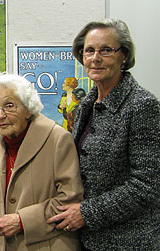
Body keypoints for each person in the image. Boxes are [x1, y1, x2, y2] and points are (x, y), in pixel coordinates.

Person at [46, 19, 160, 250]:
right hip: (89, 238)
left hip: (129, 241)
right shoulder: (86, 105)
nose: (95, 58)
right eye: (89, 50)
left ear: (124, 56)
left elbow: (147, 184)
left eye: (106, 50)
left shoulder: (143, 106)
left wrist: (87, 213)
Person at [0, 73, 84, 251]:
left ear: (28, 108)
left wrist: (23, 220)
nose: (0, 115)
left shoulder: (58, 139)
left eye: (9, 106)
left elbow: (70, 201)